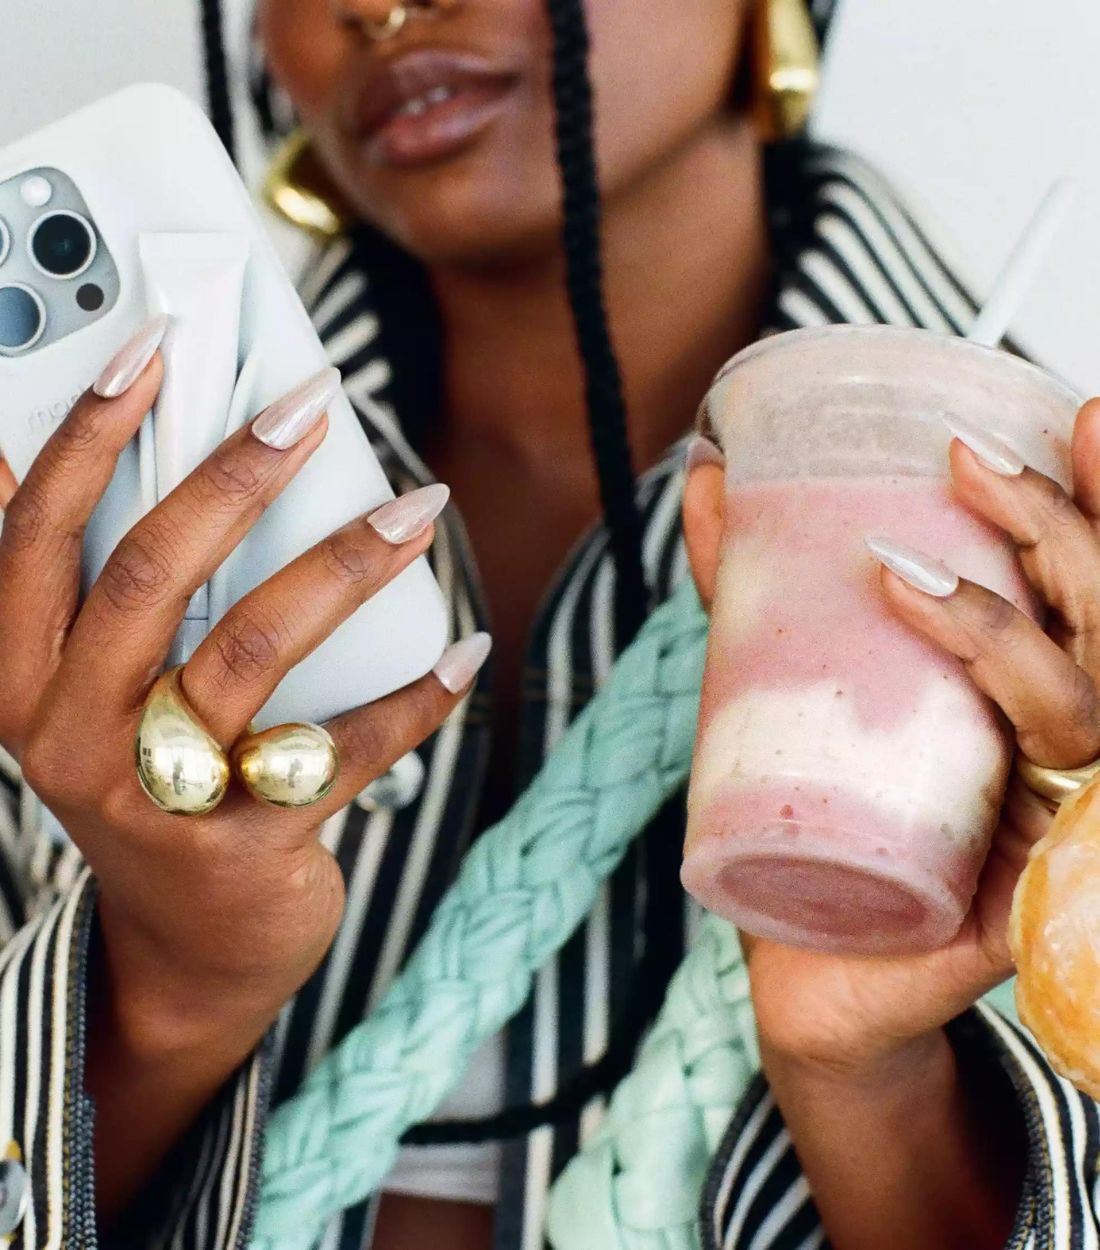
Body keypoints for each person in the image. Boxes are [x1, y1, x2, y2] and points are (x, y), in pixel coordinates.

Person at [1, 0, 1098, 1247]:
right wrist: (168, 995)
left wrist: (863, 1073)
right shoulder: (68, 542)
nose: (381, 5)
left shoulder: (1063, 564)